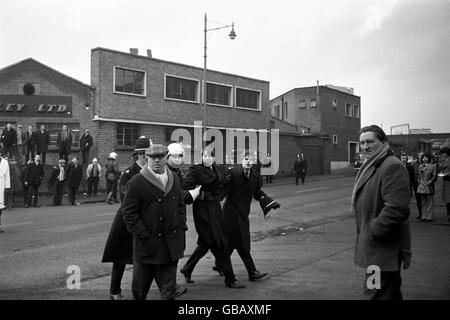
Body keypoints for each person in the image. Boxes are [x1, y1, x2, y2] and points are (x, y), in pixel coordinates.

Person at [351, 125, 411, 300]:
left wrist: (372, 231)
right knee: (387, 293)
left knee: (375, 293)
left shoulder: (391, 166)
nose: (365, 146)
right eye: (362, 143)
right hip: (376, 250)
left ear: (384, 142)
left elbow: (397, 208)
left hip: (382, 250)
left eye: (370, 141)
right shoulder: (373, 164)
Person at [122, 144, 186, 300]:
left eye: (161, 157)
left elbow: (181, 205)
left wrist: (181, 227)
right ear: (147, 158)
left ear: (166, 158)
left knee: (169, 293)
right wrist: (143, 234)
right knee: (139, 292)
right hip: (146, 248)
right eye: (153, 157)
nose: (157, 161)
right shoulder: (136, 182)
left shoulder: (175, 179)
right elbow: (129, 213)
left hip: (170, 247)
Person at [180, 147, 245, 289]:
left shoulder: (219, 169)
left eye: (211, 156)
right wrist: (199, 194)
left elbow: (223, 186)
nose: (208, 158)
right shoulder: (196, 170)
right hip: (202, 210)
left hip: (216, 209)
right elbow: (185, 187)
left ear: (215, 158)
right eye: (205, 156)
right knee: (219, 242)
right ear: (201, 156)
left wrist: (221, 193)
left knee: (206, 243)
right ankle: (230, 278)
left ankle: (187, 269)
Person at [216, 150, 280, 281]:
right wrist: (223, 184)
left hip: (243, 214)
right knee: (241, 245)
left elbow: (257, 193)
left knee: (235, 244)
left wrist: (268, 202)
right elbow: (222, 191)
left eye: (251, 159)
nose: (248, 161)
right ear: (241, 160)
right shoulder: (232, 173)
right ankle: (252, 272)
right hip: (230, 215)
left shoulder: (255, 176)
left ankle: (220, 265)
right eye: (246, 158)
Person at [102, 136, 151, 300]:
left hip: (144, 220)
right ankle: (114, 291)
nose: (147, 158)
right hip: (126, 222)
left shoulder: (151, 173)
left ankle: (154, 289)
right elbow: (126, 201)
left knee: (146, 258)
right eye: (145, 154)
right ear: (140, 155)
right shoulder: (128, 174)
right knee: (120, 258)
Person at [416, 153, 437, 222]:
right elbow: (419, 176)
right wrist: (420, 181)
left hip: (429, 185)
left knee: (430, 201)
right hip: (422, 185)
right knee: (423, 202)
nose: (424, 159)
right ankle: (423, 216)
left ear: (429, 158)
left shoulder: (433, 166)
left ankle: (429, 217)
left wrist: (429, 182)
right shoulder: (420, 166)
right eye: (423, 158)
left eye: (426, 157)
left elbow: (434, 175)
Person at [410, 152, 423, 220]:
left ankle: (424, 214)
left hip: (424, 185)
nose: (420, 157)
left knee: (423, 200)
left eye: (422, 155)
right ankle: (420, 214)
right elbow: (411, 174)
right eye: (419, 155)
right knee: (418, 200)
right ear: (417, 156)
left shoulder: (425, 164)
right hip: (416, 185)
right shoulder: (413, 164)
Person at [439, 147, 450, 222]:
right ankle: (448, 215)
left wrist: (447, 174)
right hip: (446, 182)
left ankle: (449, 215)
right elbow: (442, 169)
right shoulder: (443, 160)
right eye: (442, 153)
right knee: (447, 200)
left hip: (449, 180)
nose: (443, 154)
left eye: (444, 153)